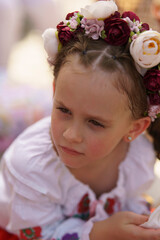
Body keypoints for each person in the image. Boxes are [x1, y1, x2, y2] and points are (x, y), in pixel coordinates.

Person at [0, 1, 160, 239]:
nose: (70, 135)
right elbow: (37, 233)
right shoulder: (31, 166)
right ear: (54, 91)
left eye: (95, 123)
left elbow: (131, 201)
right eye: (64, 110)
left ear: (135, 128)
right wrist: (99, 232)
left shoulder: (138, 156)